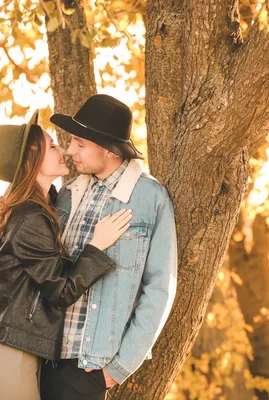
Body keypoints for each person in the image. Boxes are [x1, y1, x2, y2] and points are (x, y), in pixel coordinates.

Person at [0, 110, 132, 400]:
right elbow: (60, 291)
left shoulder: (39, 208)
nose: (62, 150)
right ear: (31, 161)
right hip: (4, 359)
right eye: (51, 146)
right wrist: (97, 247)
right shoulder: (31, 218)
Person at [40, 94, 178, 400]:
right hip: (42, 359)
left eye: (80, 143)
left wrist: (117, 370)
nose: (69, 150)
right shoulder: (67, 194)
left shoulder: (149, 199)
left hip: (88, 369)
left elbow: (159, 289)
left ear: (109, 150)